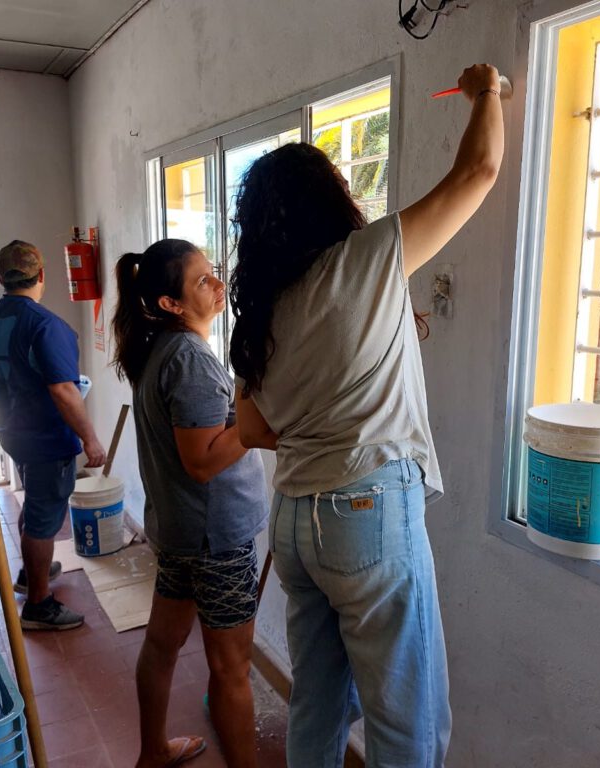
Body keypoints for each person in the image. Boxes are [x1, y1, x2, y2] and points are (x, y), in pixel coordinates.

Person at [228, 64, 504, 767]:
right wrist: (486, 92)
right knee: (408, 722)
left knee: (318, 702)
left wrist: (324, 408)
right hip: (367, 515)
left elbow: (253, 430)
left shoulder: (263, 303)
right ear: (330, 199)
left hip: (293, 522)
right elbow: (478, 170)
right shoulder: (369, 258)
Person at [111, 239, 269, 768]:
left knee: (162, 644)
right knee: (231, 669)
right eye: (202, 281)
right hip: (215, 538)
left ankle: (152, 752)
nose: (218, 285)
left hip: (181, 531)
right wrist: (254, 431)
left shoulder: (158, 348)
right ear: (170, 304)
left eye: (214, 272)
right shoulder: (191, 360)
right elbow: (200, 461)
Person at [0, 240, 106, 630]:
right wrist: (90, 439)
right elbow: (64, 391)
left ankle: (32, 575)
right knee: (45, 517)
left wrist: (13, 394)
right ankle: (39, 605)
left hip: (12, 431)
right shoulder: (45, 325)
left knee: (35, 503)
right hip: (47, 438)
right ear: (42, 275)